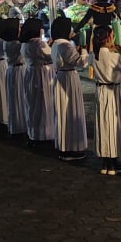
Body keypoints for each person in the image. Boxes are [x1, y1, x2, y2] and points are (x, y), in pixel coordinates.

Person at [92, 26, 121, 175]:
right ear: (109, 38)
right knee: (113, 124)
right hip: (113, 92)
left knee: (103, 124)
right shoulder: (113, 57)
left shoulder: (94, 55)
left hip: (101, 91)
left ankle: (105, 161)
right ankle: (113, 160)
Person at [49, 16, 90, 163]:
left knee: (63, 111)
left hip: (60, 77)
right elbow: (80, 62)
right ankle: (71, 146)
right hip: (68, 79)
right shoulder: (65, 45)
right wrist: (84, 51)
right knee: (70, 111)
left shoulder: (55, 44)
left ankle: (64, 145)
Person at [21, 19, 56, 148]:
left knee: (32, 104)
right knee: (43, 104)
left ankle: (33, 133)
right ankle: (44, 134)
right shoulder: (38, 43)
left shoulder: (25, 44)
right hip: (42, 75)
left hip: (31, 73)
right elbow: (51, 56)